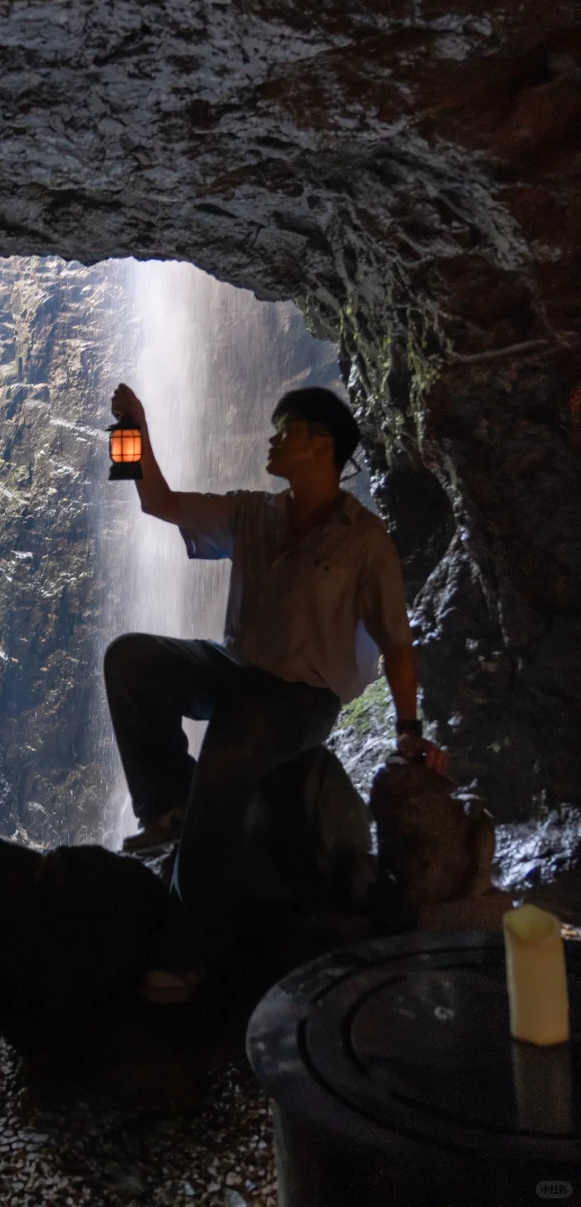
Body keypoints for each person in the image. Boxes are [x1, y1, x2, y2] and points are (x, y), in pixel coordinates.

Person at [103, 381, 448, 1004]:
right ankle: (170, 807)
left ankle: (191, 948)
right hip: (235, 670)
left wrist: (408, 730)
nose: (271, 440)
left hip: (304, 697)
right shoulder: (253, 514)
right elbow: (161, 502)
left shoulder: (365, 541)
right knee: (131, 659)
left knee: (234, 741)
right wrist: (138, 433)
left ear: (321, 444)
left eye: (285, 430)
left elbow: (396, 643)